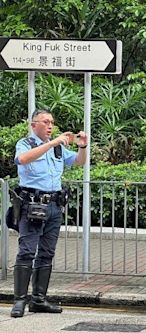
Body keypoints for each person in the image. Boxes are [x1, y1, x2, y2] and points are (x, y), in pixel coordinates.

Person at [10, 109, 88, 318]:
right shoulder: (27, 143)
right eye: (46, 122)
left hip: (54, 205)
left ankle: (38, 299)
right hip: (32, 205)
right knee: (27, 251)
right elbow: (23, 159)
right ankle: (19, 301)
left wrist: (83, 147)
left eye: (52, 122)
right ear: (34, 125)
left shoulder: (59, 150)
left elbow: (79, 162)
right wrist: (53, 143)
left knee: (47, 253)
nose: (50, 126)